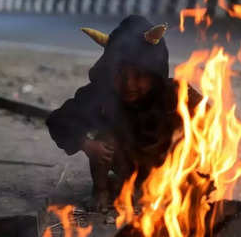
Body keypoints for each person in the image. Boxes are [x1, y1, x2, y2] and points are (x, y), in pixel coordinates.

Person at [46, 15, 201, 212]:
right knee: (106, 137)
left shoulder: (174, 92)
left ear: (155, 74)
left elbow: (211, 119)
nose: (129, 85)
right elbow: (59, 120)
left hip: (164, 165)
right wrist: (86, 144)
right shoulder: (102, 92)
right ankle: (101, 191)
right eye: (121, 74)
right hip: (123, 162)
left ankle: (162, 189)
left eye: (139, 76)